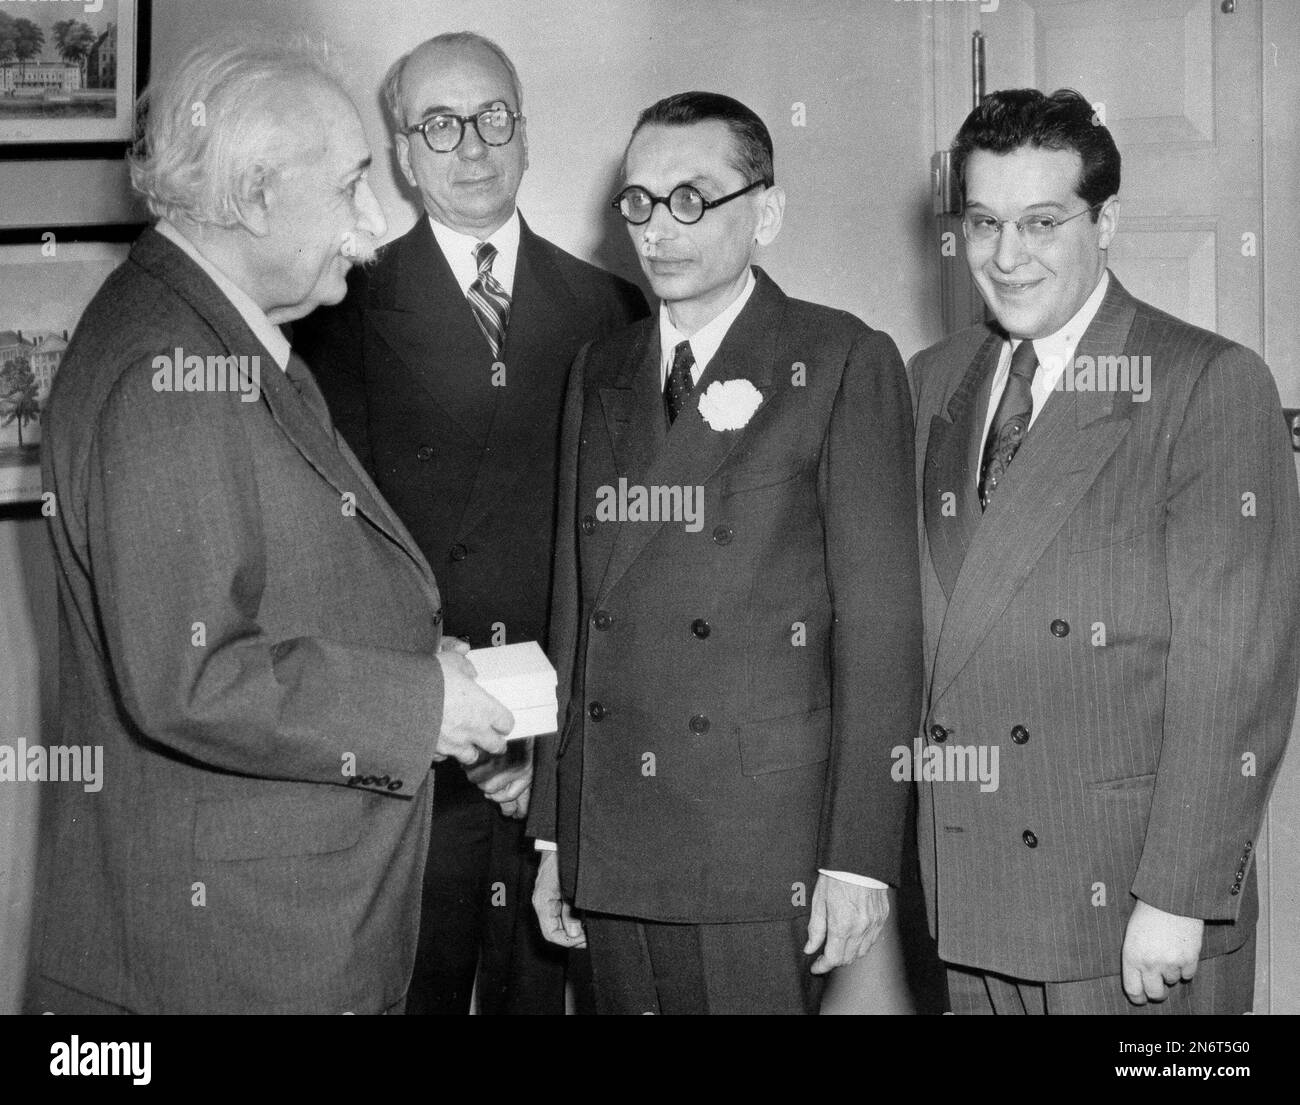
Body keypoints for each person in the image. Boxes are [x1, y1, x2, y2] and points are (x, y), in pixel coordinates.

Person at [27, 33, 514, 1015]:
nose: (372, 226)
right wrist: (424, 703)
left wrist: (423, 661)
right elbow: (190, 675)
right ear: (253, 197)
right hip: (227, 958)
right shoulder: (166, 371)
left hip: (262, 939)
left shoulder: (216, 336)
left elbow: (264, 593)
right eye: (348, 188)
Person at [527, 91, 923, 1015]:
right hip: (616, 827)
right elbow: (572, 608)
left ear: (766, 213)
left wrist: (860, 856)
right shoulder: (601, 370)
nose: (660, 229)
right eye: (639, 201)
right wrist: (554, 831)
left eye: (692, 198)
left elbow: (882, 632)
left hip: (759, 839)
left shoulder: (838, 361)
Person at [910, 87, 1300, 1014]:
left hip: (1126, 903)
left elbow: (1237, 671)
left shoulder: (1206, 381)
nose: (1008, 257)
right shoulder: (932, 381)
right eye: (984, 223)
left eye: (1042, 222)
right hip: (970, 885)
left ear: (1108, 221)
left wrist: (1179, 892)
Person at [296, 31, 647, 1016]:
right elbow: (331, 546)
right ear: (403, 154)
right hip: (418, 749)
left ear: (524, 134)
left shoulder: (611, 307)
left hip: (556, 752)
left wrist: (546, 738)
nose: (473, 145)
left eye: (494, 117)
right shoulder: (335, 309)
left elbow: (629, 556)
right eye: (440, 125)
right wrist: (457, 717)